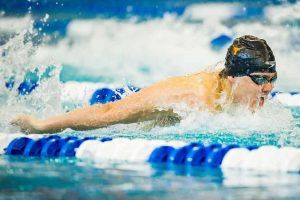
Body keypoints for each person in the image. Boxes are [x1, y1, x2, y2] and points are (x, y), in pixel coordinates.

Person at [11, 35, 277, 134]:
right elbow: (110, 112)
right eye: (260, 80)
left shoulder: (240, 99)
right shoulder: (189, 97)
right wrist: (41, 125)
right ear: (233, 77)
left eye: (271, 79)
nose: (268, 89)